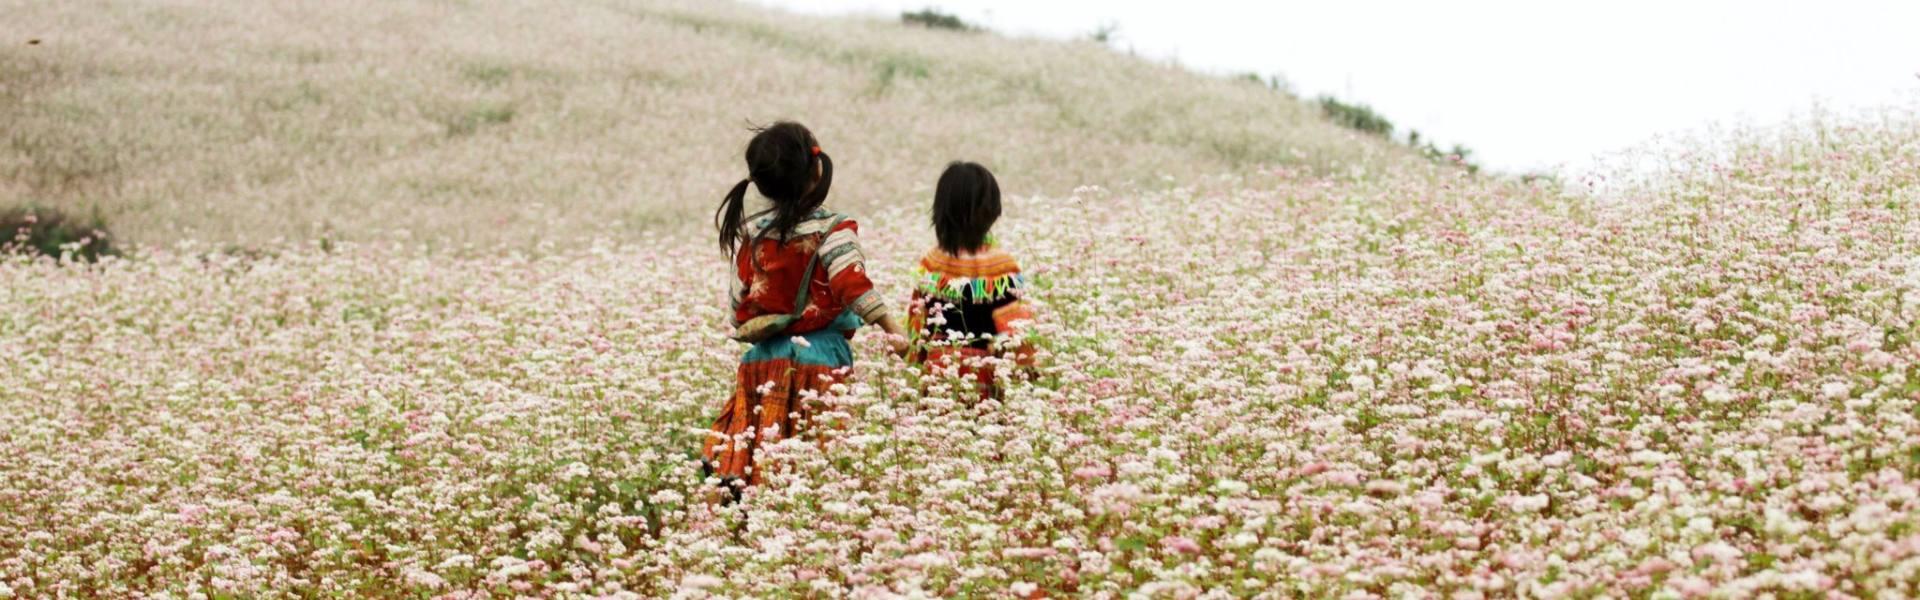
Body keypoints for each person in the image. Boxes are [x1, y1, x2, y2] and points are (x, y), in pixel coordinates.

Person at [702, 122, 909, 499]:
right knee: (815, 464)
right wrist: (893, 330)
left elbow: (737, 308)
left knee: (758, 462)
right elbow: (852, 284)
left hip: (760, 363)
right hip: (818, 359)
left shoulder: (754, 235)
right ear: (816, 171)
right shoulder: (834, 229)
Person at [906, 162, 1036, 401]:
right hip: (985, 373)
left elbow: (918, 327)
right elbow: (1016, 333)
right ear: (992, 211)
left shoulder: (931, 263)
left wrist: (915, 369)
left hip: (938, 374)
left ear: (941, 211)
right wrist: (1027, 370)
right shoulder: (1002, 266)